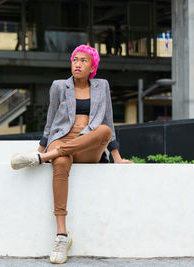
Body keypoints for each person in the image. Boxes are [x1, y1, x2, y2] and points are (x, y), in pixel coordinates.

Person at [10, 44, 132, 264]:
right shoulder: (59, 86)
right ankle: (61, 236)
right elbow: (50, 121)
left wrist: (117, 157)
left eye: (84, 60)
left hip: (89, 144)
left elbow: (108, 121)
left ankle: (43, 159)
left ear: (92, 66)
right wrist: (40, 147)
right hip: (62, 138)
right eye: (75, 59)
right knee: (61, 162)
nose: (78, 64)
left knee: (102, 130)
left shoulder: (101, 86)